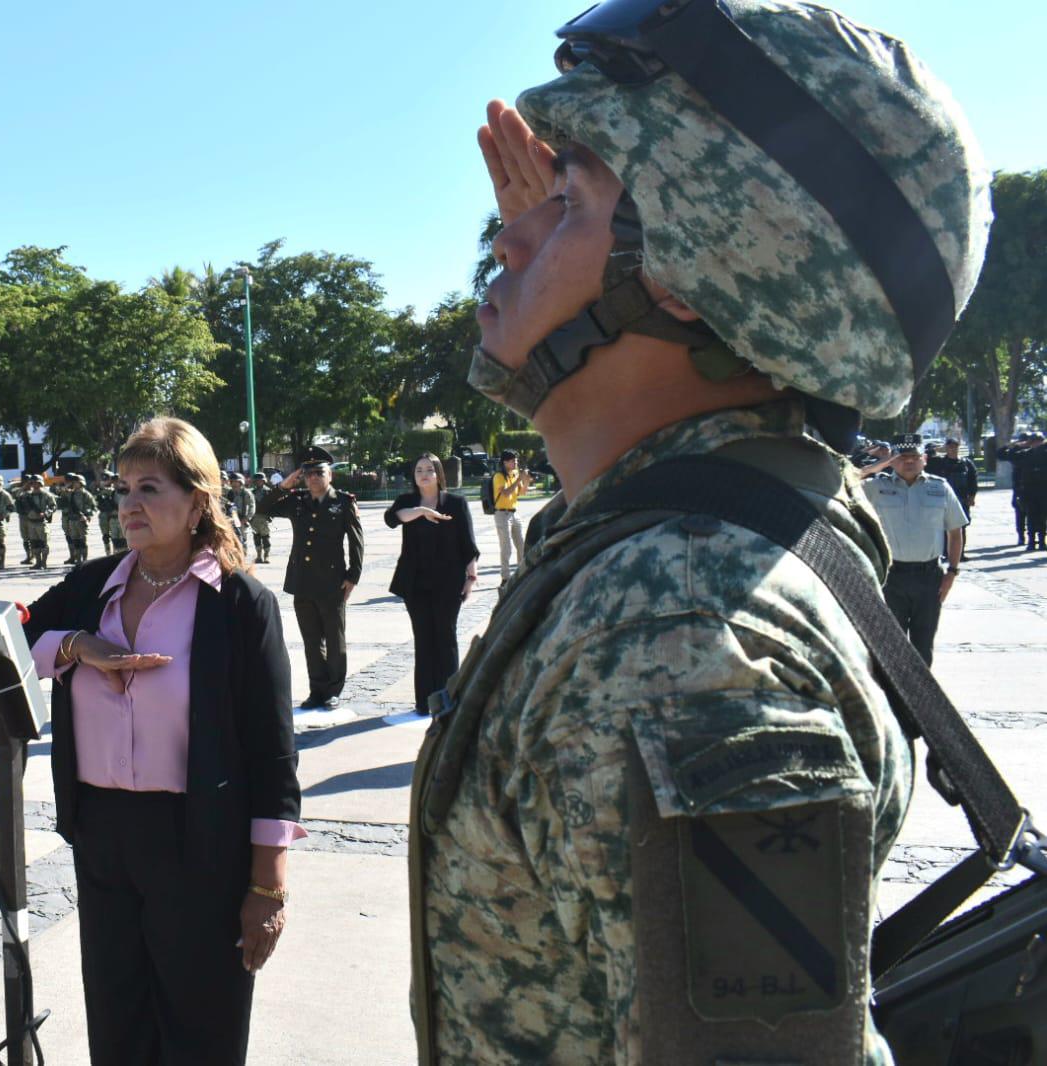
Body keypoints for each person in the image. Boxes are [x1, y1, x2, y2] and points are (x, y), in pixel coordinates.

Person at [410, 3, 990, 1062]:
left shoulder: (674, 635)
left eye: (568, 199)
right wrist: (588, 240)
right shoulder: (734, 513)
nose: (509, 231)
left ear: (684, 275)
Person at [23, 417, 302, 1066]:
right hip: (102, 837)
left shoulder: (237, 604)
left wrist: (268, 887)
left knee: (199, 1028)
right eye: (121, 488)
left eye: (148, 488)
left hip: (199, 841)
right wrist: (74, 645)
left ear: (198, 499)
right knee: (118, 1024)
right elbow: (0, 639)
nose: (127, 504)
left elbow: (273, 752)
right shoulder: (91, 586)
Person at [261, 446, 364, 709]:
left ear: (331, 475)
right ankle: (316, 690)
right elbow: (263, 508)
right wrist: (284, 486)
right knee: (310, 640)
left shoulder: (343, 502)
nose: (314, 478)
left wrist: (353, 576)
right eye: (308, 474)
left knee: (334, 638)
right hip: (302, 582)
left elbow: (356, 542)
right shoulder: (296, 501)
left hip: (332, 582)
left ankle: (333, 690)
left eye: (319, 472)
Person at [384, 454, 478, 715]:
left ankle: (448, 698)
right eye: (418, 470)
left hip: (449, 582)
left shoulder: (456, 503)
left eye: (429, 469)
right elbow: (392, 518)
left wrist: (471, 577)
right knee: (424, 639)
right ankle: (424, 701)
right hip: (415, 583)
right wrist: (422, 511)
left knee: (446, 639)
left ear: (438, 474)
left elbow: (467, 544)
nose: (423, 474)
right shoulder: (407, 502)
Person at [866, 434, 968, 665]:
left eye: (914, 456)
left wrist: (952, 572)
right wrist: (881, 464)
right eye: (902, 457)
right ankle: (895, 699)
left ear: (924, 459)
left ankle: (921, 698)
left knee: (923, 646)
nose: (909, 462)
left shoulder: (939, 488)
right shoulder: (875, 487)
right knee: (890, 646)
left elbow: (955, 532)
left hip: (929, 578)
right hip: (890, 578)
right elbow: (846, 480)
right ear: (893, 460)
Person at [999, 432, 1047, 550]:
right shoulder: (1025, 454)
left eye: (1039, 441)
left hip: (1043, 489)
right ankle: (1030, 541)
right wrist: (1015, 445)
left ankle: (1042, 541)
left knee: (1043, 516)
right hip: (1028, 490)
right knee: (1030, 516)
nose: (1037, 444)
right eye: (1034, 441)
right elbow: (1004, 455)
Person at [489, 449, 531, 582]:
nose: (516, 463)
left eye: (516, 460)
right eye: (513, 461)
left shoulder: (514, 474)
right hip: (502, 514)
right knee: (506, 547)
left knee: (521, 545)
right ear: (505, 462)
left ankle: (522, 573)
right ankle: (505, 577)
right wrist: (519, 479)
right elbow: (506, 493)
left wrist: (526, 481)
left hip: (514, 513)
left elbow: (521, 493)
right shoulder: (499, 476)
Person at [17, 474, 58, 569]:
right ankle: (38, 562)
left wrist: (46, 513)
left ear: (41, 483)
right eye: (33, 483)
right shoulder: (27, 495)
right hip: (31, 522)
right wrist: (24, 487)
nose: (35, 485)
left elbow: (53, 506)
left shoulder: (46, 494)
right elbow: (17, 496)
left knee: (43, 544)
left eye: (37, 483)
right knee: (34, 544)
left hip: (41, 522)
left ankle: (44, 562)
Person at [60, 472, 98, 565]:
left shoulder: (86, 494)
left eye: (76, 482)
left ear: (81, 483)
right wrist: (66, 487)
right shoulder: (71, 494)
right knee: (75, 541)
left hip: (81, 520)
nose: (74, 484)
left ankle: (84, 561)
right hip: (72, 520)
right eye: (74, 482)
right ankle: (78, 560)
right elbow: (61, 495)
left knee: (82, 541)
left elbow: (94, 507)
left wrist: (87, 515)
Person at [95, 469, 124, 554]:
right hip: (106, 517)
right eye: (103, 479)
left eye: (106, 479)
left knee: (120, 539)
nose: (104, 481)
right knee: (107, 537)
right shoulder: (103, 491)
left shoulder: (117, 492)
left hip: (116, 517)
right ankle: (109, 555)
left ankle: (118, 555)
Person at [225, 471, 255, 549]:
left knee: (242, 540)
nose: (234, 484)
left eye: (236, 482)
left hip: (242, 519)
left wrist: (247, 518)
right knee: (232, 540)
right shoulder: (230, 492)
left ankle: (243, 558)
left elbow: (252, 507)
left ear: (241, 482)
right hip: (231, 519)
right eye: (232, 482)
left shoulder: (246, 493)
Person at [248, 472, 273, 563]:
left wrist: (271, 515)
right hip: (254, 518)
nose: (259, 482)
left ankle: (266, 556)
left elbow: (273, 504)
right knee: (256, 537)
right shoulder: (251, 492)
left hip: (264, 517)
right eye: (257, 481)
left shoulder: (269, 491)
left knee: (265, 537)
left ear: (264, 481)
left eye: (260, 481)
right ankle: (259, 556)